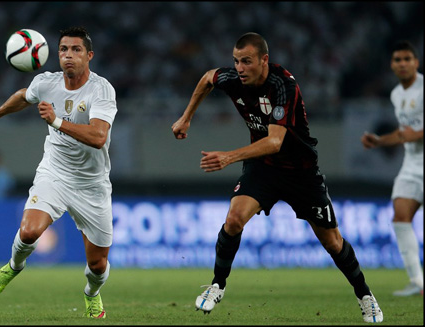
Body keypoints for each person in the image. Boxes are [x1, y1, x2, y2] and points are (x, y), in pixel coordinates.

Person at [172, 32, 383, 323]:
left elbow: (275, 141)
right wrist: (186, 117)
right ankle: (217, 285)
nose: (240, 68)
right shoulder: (233, 79)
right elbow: (208, 77)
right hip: (264, 168)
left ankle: (365, 296)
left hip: (301, 172)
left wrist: (229, 156)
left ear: (264, 60)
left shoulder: (283, 86)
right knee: (234, 219)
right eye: (236, 61)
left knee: (333, 243)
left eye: (246, 61)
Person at [0, 26, 117, 319]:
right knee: (28, 232)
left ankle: (91, 293)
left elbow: (98, 137)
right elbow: (23, 96)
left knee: (98, 265)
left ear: (89, 55)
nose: (68, 56)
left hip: (92, 185)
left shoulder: (101, 89)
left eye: (76, 50)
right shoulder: (46, 82)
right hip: (55, 173)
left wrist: (56, 121)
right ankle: (13, 267)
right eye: (63, 50)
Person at [361, 40, 423, 297]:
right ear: (392, 65)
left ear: (416, 63)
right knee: (400, 217)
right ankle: (418, 283)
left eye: (407, 58)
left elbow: (413, 133)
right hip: (412, 165)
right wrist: (379, 141)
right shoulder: (397, 94)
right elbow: (402, 134)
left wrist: (417, 134)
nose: (402, 64)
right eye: (398, 59)